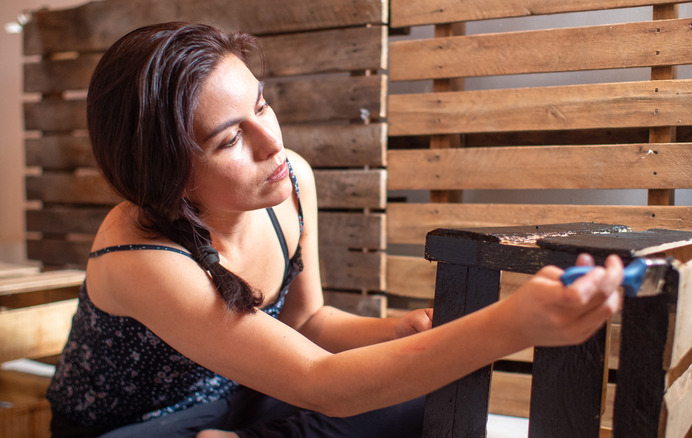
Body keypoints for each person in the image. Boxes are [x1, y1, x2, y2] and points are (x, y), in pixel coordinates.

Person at [45, 22, 624, 438]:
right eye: (229, 139)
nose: (272, 142)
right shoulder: (140, 256)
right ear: (169, 176)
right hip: (137, 427)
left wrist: (399, 329)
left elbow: (307, 324)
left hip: (241, 401)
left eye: (263, 105)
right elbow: (320, 381)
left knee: (425, 391)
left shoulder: (289, 179)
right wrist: (514, 324)